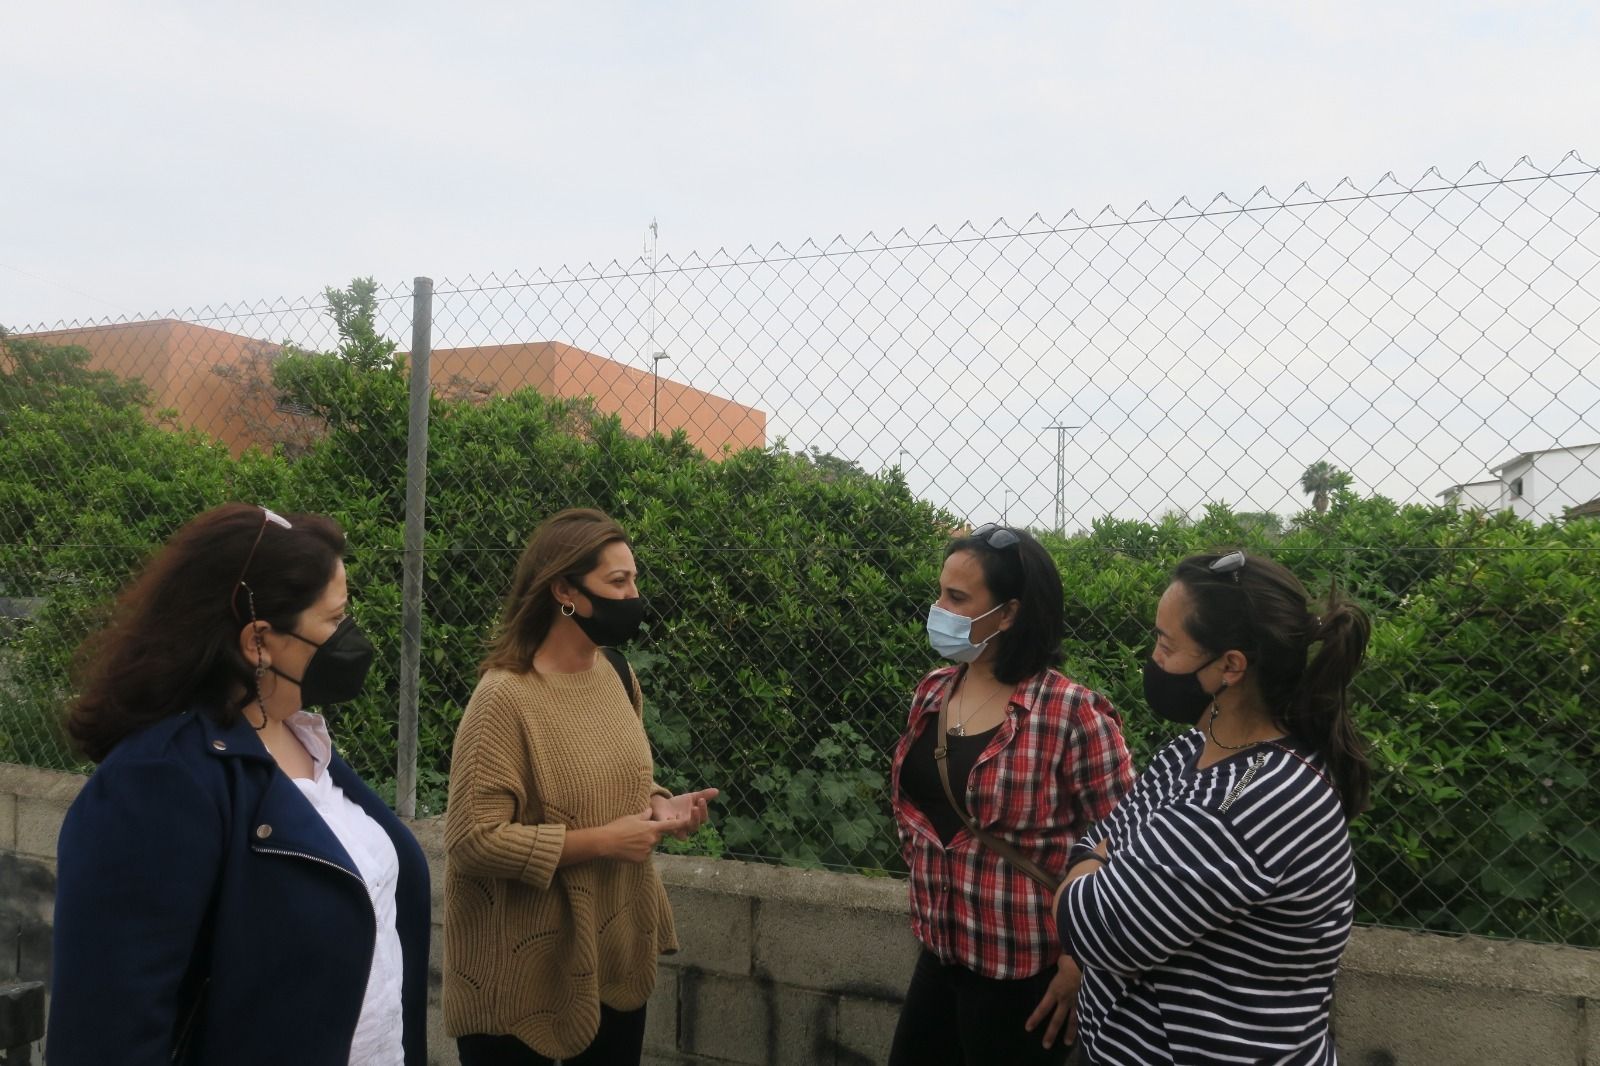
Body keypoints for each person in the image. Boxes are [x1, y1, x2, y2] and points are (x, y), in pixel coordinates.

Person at [48, 503, 432, 1066]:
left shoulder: (302, 739)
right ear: (258, 642)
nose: (351, 638)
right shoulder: (158, 781)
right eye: (334, 620)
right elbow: (108, 1032)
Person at [1053, 550, 1371, 1065]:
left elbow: (1090, 927)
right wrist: (1104, 858)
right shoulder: (1194, 749)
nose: (1153, 658)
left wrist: (1098, 862)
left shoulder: (1251, 800)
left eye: (1165, 644)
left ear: (1230, 666)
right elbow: (1099, 839)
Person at [444, 507, 718, 1066]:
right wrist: (603, 842)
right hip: (523, 985)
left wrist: (658, 803)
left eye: (635, 579)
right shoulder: (504, 697)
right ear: (564, 590)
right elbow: (472, 840)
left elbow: (613, 773)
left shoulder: (616, 673)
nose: (634, 596)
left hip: (616, 960)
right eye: (618, 582)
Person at [887, 522, 1135, 1066]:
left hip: (1027, 972)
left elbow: (1122, 840)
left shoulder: (1070, 713)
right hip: (941, 951)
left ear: (1008, 613)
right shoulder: (933, 691)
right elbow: (915, 813)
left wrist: (1080, 962)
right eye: (940, 593)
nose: (938, 609)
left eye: (957, 598)